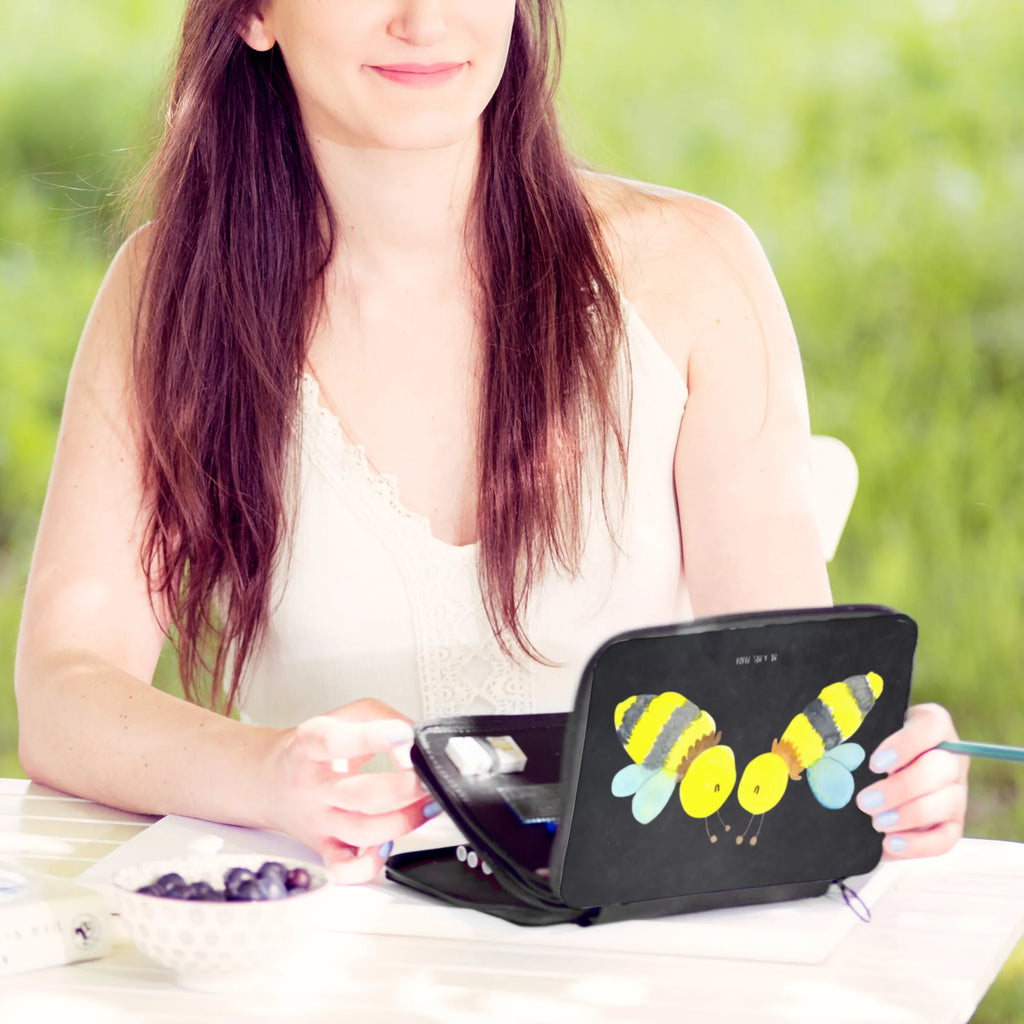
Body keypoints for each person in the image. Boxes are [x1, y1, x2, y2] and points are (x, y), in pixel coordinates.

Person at [14, 0, 967, 883]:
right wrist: (266, 772)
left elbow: (792, 698)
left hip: (636, 941)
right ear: (255, 14)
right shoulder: (174, 293)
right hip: (321, 939)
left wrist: (889, 773)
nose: (424, 20)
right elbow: (62, 696)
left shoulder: (693, 275)